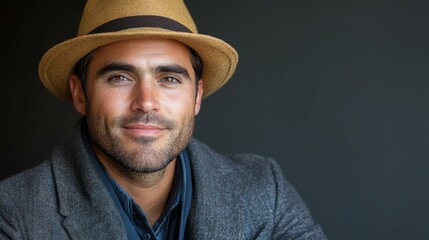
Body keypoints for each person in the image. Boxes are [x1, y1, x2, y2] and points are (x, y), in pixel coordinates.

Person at [0, 0, 328, 239]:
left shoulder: (264, 193)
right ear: (80, 94)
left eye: (169, 79)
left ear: (197, 96)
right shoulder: (12, 214)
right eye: (119, 77)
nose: (146, 102)